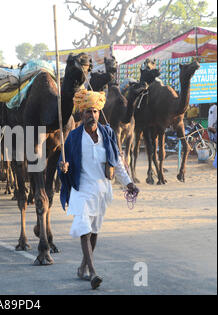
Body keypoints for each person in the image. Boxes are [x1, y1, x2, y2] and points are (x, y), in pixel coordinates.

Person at [58, 89, 139, 290]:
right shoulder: (74, 137)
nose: (92, 115)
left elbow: (116, 161)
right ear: (81, 114)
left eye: (95, 112)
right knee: (84, 230)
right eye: (88, 112)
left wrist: (128, 182)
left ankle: (82, 267)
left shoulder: (107, 133)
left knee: (94, 232)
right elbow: (63, 160)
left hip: (102, 190)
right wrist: (63, 166)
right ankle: (93, 272)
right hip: (81, 189)